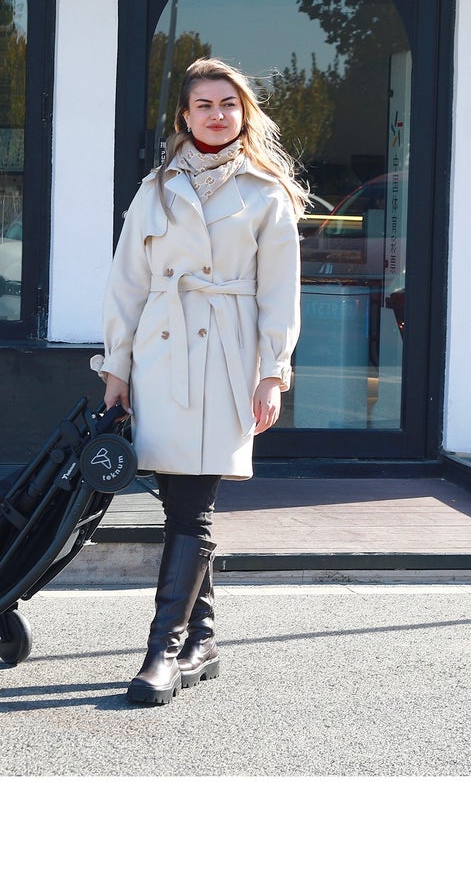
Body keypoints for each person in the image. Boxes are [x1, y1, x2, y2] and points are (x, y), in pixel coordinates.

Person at [98, 56, 308, 705]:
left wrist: (273, 372)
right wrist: (117, 367)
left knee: (194, 508)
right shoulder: (155, 189)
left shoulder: (265, 193)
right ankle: (203, 638)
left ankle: (161, 650)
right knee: (178, 503)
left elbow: (280, 293)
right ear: (184, 116)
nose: (217, 114)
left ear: (243, 113)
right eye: (204, 105)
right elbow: (127, 284)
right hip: (163, 360)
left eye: (228, 104)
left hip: (225, 358)